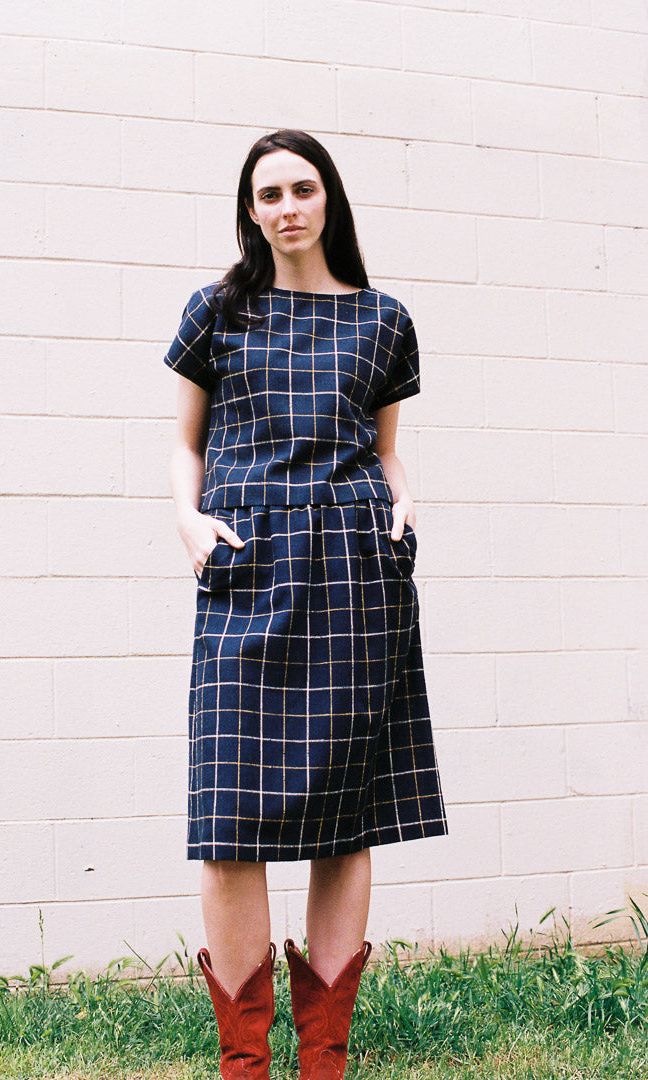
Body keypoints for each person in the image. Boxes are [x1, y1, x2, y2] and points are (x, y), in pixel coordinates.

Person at [163, 129, 448, 1080]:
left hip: (357, 574)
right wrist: (189, 524)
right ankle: (244, 1062)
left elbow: (386, 446)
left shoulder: (383, 320)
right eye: (268, 194)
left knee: (346, 814)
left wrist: (404, 498)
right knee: (229, 814)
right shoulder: (217, 311)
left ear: (329, 200)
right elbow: (185, 446)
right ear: (250, 211)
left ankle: (322, 1058)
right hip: (247, 569)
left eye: (302, 189)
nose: (287, 207)